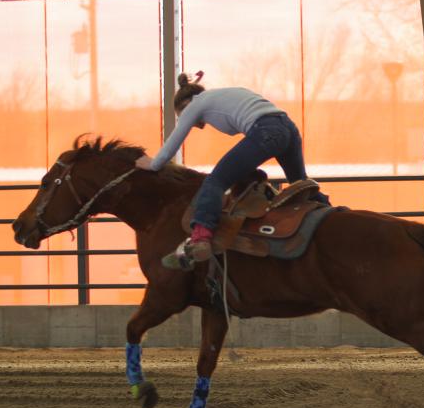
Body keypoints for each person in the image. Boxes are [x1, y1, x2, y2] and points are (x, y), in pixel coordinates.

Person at [135, 72, 330, 264]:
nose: (197, 126)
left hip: (265, 131)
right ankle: (331, 215)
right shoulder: (223, 94)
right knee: (300, 184)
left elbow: (173, 142)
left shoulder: (195, 104)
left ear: (185, 106)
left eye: (186, 119)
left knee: (216, 181)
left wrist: (153, 164)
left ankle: (200, 238)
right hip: (287, 128)